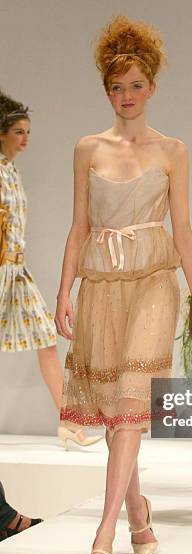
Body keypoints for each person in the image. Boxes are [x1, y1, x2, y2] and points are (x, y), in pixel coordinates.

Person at [55, 16, 192, 554]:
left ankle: (104, 534)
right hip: (100, 285)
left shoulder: (173, 150)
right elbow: (78, 226)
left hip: (152, 283)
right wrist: (64, 289)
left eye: (136, 84)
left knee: (134, 397)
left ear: (153, 87)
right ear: (106, 90)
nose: (127, 96)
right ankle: (139, 516)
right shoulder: (87, 148)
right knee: (121, 408)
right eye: (117, 87)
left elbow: (185, 233)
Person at [0, 89, 102, 449]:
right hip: (2, 269)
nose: (25, 138)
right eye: (18, 132)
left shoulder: (11, 171)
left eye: (27, 131)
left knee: (45, 336)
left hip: (16, 271)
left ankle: (67, 423)